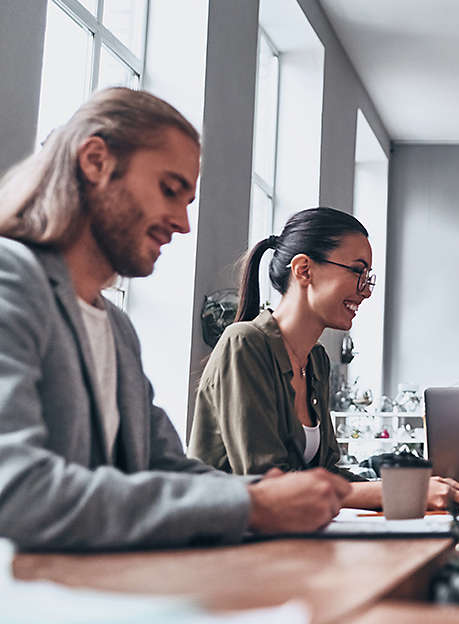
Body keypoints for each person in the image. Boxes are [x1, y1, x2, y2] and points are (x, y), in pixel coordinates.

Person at [0, 88, 352, 550]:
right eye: (169, 190)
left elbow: (165, 466)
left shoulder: (115, 327)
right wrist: (253, 505)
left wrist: (268, 496)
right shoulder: (11, 280)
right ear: (94, 161)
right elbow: (16, 492)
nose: (184, 223)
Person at [189, 207, 459, 510]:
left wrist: (415, 487)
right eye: (357, 271)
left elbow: (327, 474)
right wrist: (400, 493)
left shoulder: (316, 361)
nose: (366, 291)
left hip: (291, 539)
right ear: (304, 270)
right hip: (226, 545)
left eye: (368, 277)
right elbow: (268, 484)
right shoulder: (244, 343)